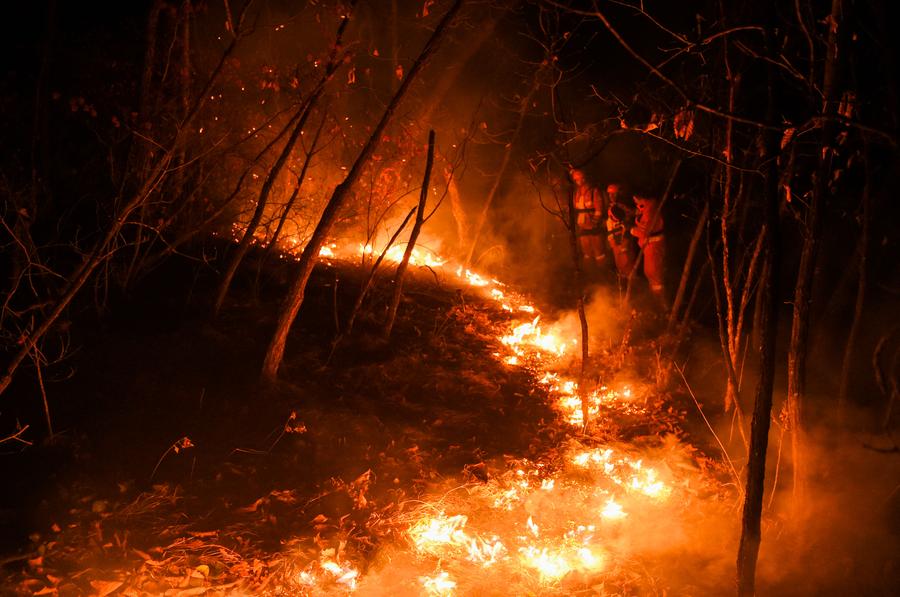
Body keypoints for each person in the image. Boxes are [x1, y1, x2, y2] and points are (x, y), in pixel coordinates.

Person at [631, 194, 667, 307]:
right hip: (648, 246)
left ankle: (663, 305)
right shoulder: (646, 209)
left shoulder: (650, 210)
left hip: (653, 246)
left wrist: (631, 230)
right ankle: (657, 302)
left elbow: (644, 231)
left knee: (654, 273)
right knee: (650, 272)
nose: (636, 202)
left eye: (637, 199)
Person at [569, 168, 606, 273]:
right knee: (586, 251)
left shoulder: (594, 191)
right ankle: (590, 273)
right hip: (582, 226)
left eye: (580, 178)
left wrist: (595, 223)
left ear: (585, 178)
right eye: (576, 179)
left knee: (598, 251)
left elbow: (599, 209)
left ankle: (602, 273)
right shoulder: (577, 193)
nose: (579, 181)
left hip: (594, 226)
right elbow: (575, 208)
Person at [605, 183, 637, 282]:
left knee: (627, 260)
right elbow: (609, 223)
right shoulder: (610, 207)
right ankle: (622, 283)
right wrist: (610, 238)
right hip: (615, 237)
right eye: (609, 194)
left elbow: (633, 214)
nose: (611, 196)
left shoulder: (624, 206)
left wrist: (626, 235)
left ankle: (632, 283)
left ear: (619, 194)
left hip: (624, 236)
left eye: (614, 194)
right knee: (619, 261)